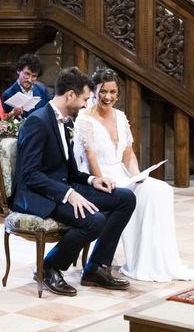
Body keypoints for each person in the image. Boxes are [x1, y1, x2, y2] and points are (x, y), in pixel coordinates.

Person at [13, 67, 135, 296]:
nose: (85, 104)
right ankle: (49, 266)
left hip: (64, 186)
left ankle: (96, 268)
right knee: (94, 220)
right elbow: (30, 174)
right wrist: (69, 194)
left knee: (125, 199)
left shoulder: (67, 121)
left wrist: (92, 180)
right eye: (85, 99)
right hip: (39, 194)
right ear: (70, 95)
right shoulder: (37, 122)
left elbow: (68, 169)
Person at [73, 68, 194, 282]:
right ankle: (120, 262)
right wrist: (100, 180)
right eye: (103, 92)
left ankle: (153, 261)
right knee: (132, 196)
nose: (108, 97)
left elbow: (128, 154)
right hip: (99, 177)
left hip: (122, 173)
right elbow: (90, 157)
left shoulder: (120, 117)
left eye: (113, 92)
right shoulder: (85, 118)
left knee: (160, 189)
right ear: (94, 91)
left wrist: (138, 175)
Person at [1, 53, 52, 118]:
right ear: (19, 70)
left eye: (34, 76)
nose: (30, 80)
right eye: (27, 74)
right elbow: (5, 121)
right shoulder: (8, 94)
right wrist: (13, 114)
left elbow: (50, 112)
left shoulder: (42, 90)